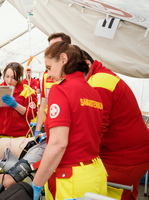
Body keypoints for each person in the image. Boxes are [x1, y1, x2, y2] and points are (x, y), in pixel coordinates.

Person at [32, 42, 107, 200]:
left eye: (49, 67)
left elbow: (59, 144)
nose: (48, 75)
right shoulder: (93, 93)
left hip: (72, 179)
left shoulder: (60, 90)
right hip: (96, 174)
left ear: (63, 59)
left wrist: (37, 182)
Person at [86, 57, 149, 200]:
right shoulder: (101, 77)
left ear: (86, 65)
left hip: (125, 157)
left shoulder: (99, 82)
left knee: (106, 192)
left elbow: (96, 129)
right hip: (131, 153)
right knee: (126, 193)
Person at [34, 33, 72, 136]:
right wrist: (37, 131)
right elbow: (43, 107)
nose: (53, 50)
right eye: (50, 47)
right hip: (49, 131)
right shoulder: (46, 76)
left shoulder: (76, 76)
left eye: (57, 46)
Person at [0, 62, 38, 138]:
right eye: (7, 76)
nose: (9, 80)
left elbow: (32, 114)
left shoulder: (28, 91)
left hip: (19, 138)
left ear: (19, 77)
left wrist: (15, 105)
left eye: (13, 77)